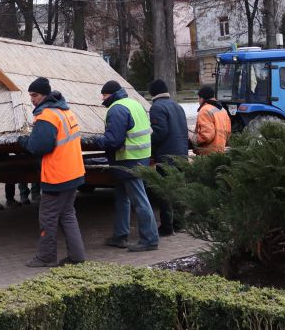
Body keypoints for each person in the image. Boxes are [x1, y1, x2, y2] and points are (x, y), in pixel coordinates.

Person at [18, 77, 87, 267]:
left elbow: (40, 146)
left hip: (57, 176)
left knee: (47, 218)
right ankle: (77, 256)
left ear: (45, 95)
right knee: (67, 215)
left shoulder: (47, 116)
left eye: (35, 95)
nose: (32, 99)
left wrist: (23, 140)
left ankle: (46, 257)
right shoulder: (65, 111)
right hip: (73, 173)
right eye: (30, 95)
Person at [93, 80, 159, 252]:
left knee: (139, 201)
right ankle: (120, 236)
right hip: (139, 159)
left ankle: (150, 239)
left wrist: (97, 141)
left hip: (128, 162)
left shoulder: (116, 109)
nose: (102, 98)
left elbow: (113, 140)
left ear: (111, 94)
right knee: (123, 198)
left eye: (104, 95)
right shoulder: (134, 104)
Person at [147, 79, 188, 236]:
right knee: (178, 190)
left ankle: (166, 226)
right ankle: (179, 223)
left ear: (153, 93)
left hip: (166, 156)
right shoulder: (177, 106)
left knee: (164, 192)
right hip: (181, 155)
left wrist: (148, 142)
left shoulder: (157, 107)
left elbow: (160, 132)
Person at [194, 85, 231, 155]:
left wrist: (194, 140)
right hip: (220, 151)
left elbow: (206, 135)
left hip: (207, 153)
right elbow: (228, 132)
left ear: (201, 99)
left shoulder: (204, 110)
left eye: (198, 98)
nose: (198, 101)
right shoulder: (222, 110)